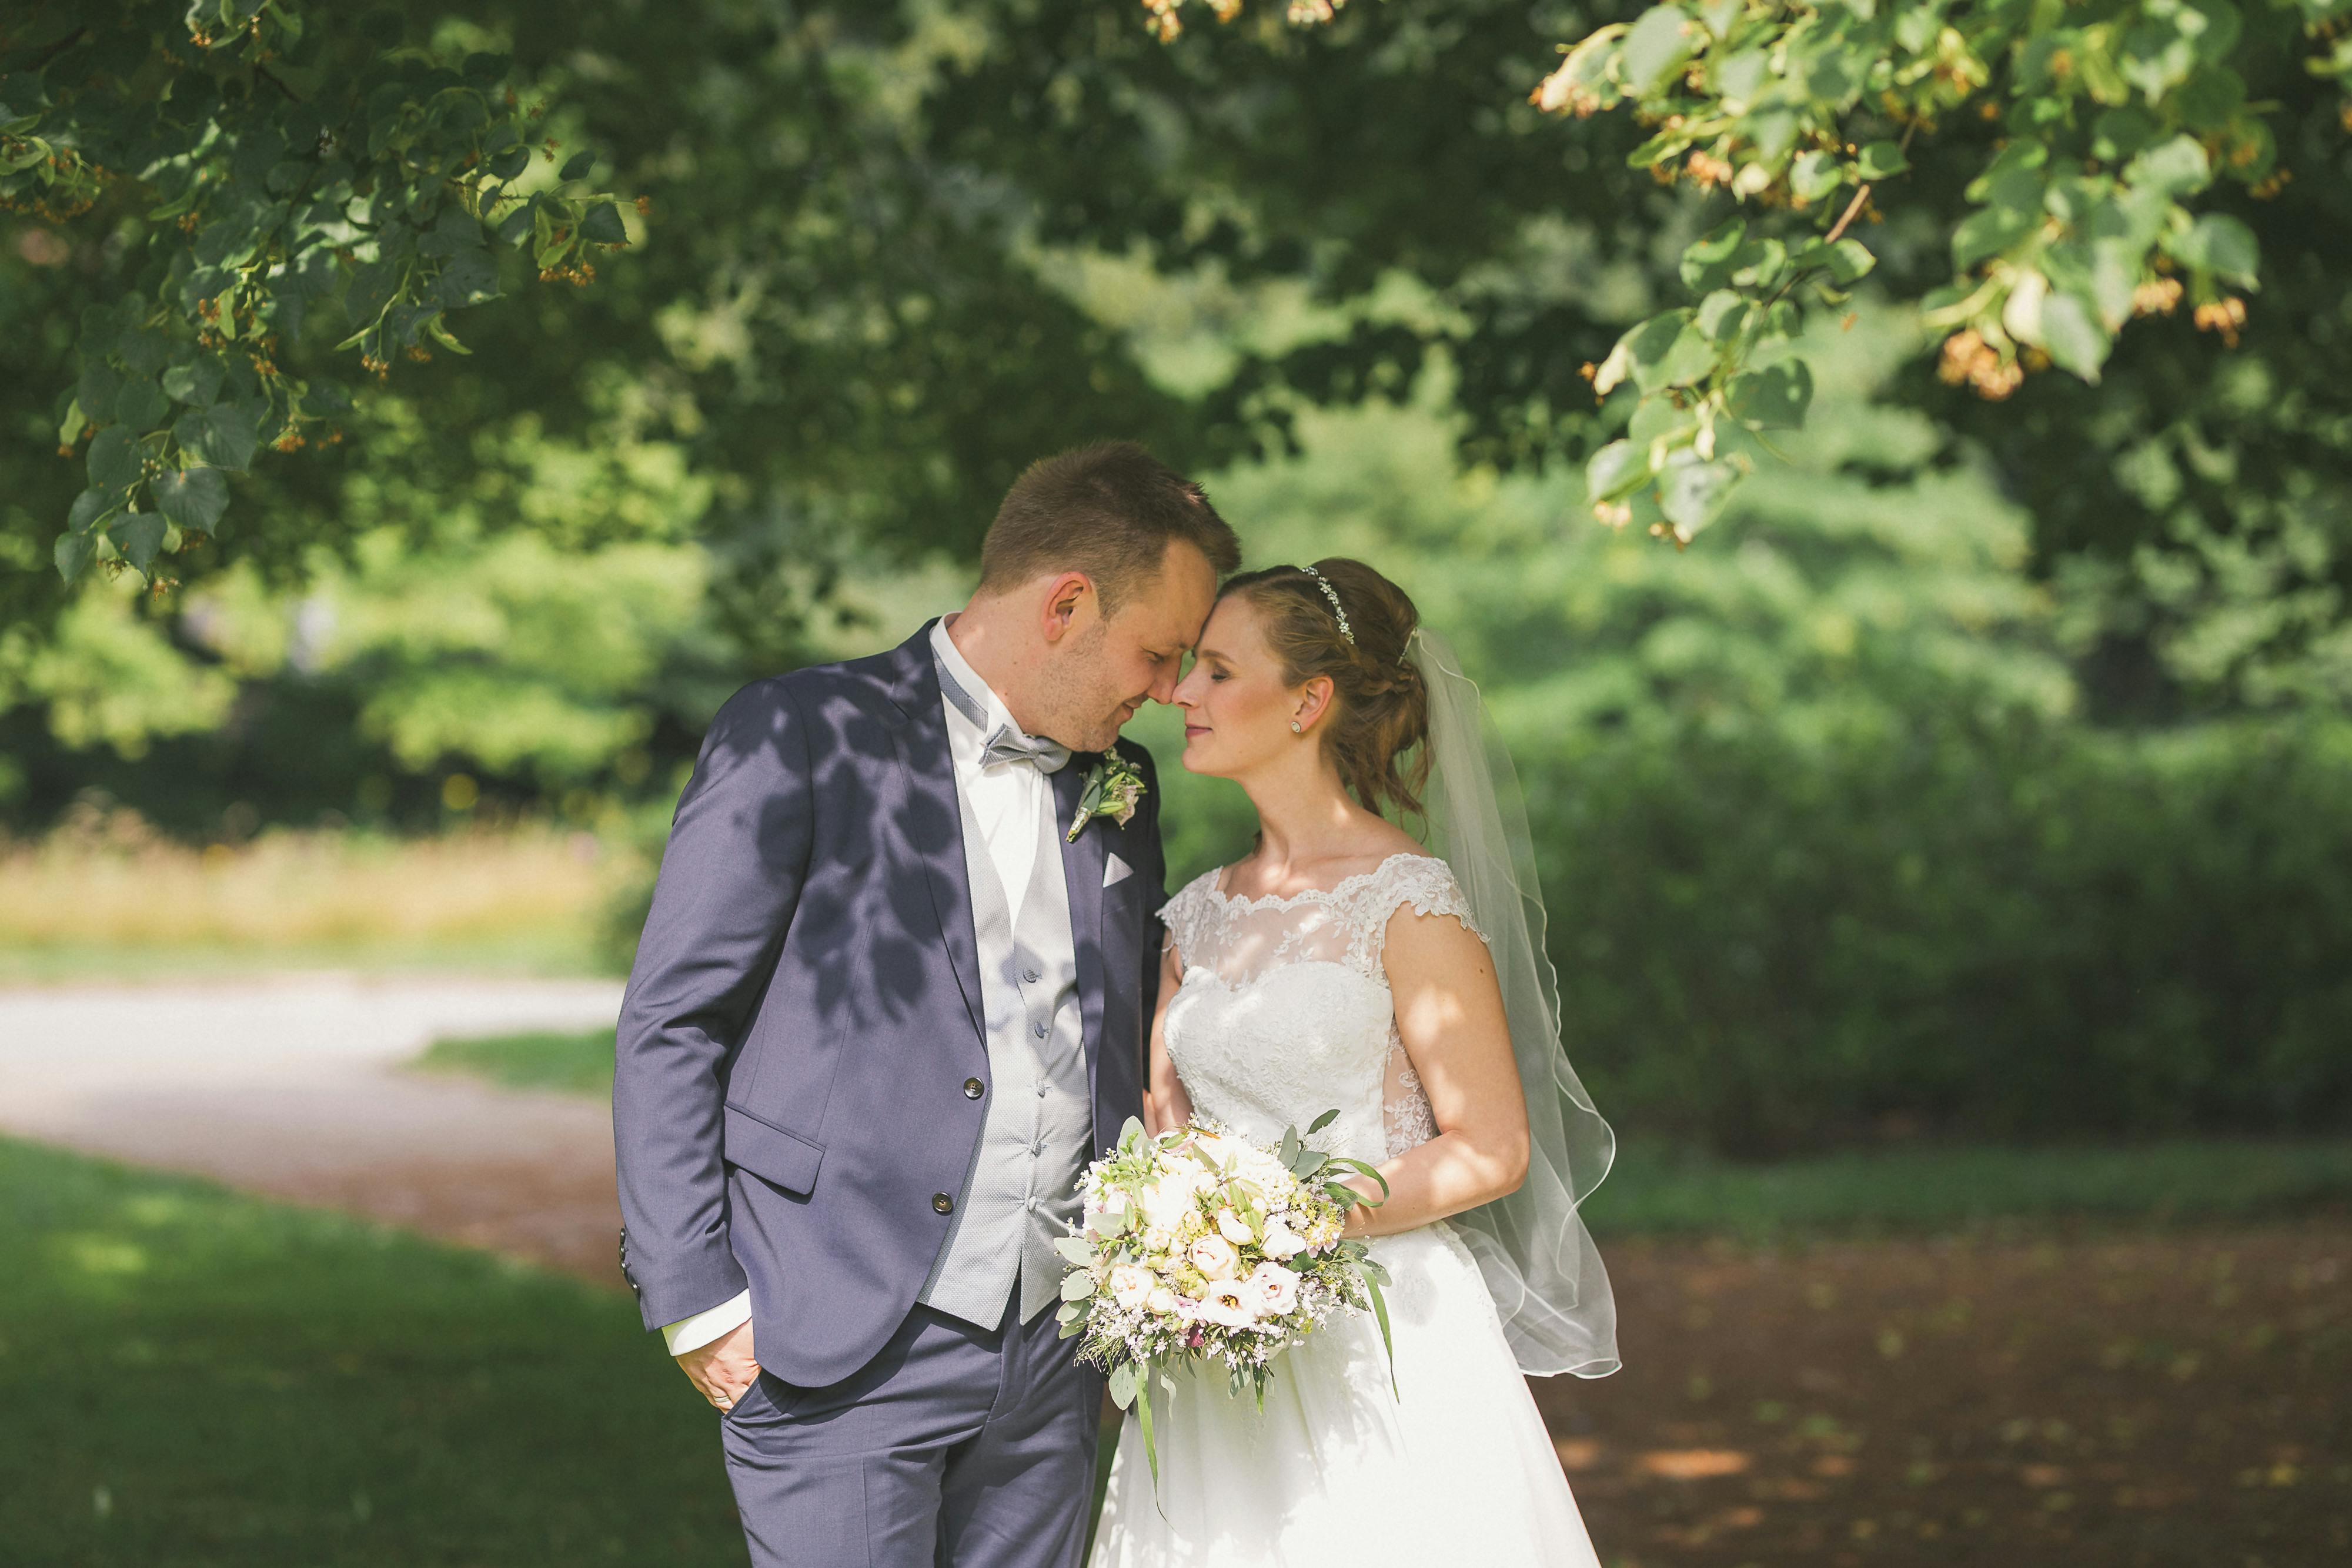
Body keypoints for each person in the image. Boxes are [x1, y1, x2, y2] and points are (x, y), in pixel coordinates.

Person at [612, 440, 1239, 1568]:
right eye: (1157, 654)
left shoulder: (1122, 787)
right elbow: (674, 1022)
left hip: (1053, 1352)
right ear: (1065, 605)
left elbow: (1120, 1035)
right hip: (833, 1334)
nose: (1167, 690)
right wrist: (697, 1296)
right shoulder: (801, 733)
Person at [1090, 558, 1620, 1567]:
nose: (1182, 694)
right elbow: (1165, 1123)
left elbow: (1493, 1147)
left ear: (1310, 701)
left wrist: (1287, 1231)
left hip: (1387, 1337)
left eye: (1215, 671)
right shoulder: (1196, 914)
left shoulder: (1405, 899)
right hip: (1216, 1352)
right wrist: (1185, 1249)